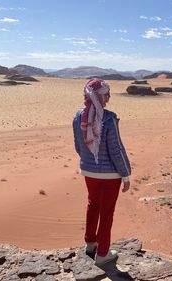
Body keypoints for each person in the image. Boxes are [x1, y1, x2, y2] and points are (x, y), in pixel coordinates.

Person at [72, 78, 131, 266]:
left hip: (88, 171)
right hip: (110, 175)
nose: (109, 97)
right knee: (106, 212)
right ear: (100, 96)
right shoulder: (109, 118)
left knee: (93, 205)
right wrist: (126, 174)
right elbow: (116, 149)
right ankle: (103, 253)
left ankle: (90, 243)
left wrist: (89, 162)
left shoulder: (78, 116)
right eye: (106, 94)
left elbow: (78, 145)